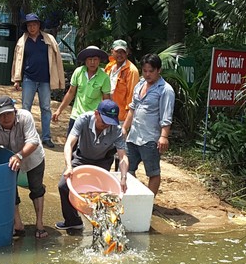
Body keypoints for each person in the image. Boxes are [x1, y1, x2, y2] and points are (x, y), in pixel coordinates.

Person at [0, 96, 48, 239]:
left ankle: (40, 224)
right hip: (11, 161)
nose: (6, 117)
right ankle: (18, 224)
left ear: (15, 111)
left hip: (34, 157)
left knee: (36, 189)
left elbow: (33, 141)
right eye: (1, 115)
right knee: (10, 191)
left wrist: (19, 156)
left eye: (8, 113)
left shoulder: (25, 117)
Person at [56, 100, 129, 230]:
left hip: (102, 162)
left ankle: (101, 227)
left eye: (110, 122)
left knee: (101, 195)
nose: (107, 125)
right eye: (104, 121)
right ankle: (72, 221)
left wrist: (123, 178)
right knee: (63, 185)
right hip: (81, 157)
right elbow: (69, 144)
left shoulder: (117, 131)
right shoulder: (83, 120)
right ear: (96, 114)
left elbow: (123, 157)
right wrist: (69, 166)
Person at [122, 53, 175, 196]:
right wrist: (124, 129)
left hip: (150, 138)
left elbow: (166, 115)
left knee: (152, 172)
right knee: (127, 168)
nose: (147, 74)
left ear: (159, 70)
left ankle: (149, 202)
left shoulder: (165, 90)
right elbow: (132, 109)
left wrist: (164, 137)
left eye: (151, 71)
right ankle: (130, 198)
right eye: (144, 71)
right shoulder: (139, 85)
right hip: (133, 136)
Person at [11, 13, 65, 148]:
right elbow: (17, 61)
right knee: (25, 108)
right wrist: (17, 79)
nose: (32, 27)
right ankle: (25, 136)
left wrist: (58, 79)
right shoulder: (22, 41)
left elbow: (57, 61)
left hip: (45, 79)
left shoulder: (48, 39)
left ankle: (46, 137)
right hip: (28, 78)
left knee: (46, 108)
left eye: (34, 24)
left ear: (39, 25)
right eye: (29, 25)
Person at [52, 46, 111, 135]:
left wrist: (104, 118)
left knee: (89, 146)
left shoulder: (104, 77)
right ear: (85, 60)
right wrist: (59, 110)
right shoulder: (78, 72)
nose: (92, 62)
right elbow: (71, 93)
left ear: (99, 61)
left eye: (95, 59)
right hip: (76, 115)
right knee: (71, 143)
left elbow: (106, 100)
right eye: (90, 59)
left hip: (93, 117)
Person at [104, 39, 139, 122]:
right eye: (117, 51)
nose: (120, 54)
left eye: (122, 52)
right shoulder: (109, 66)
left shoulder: (131, 70)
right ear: (112, 51)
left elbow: (131, 95)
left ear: (127, 52)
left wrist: (128, 118)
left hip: (121, 116)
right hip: (106, 111)